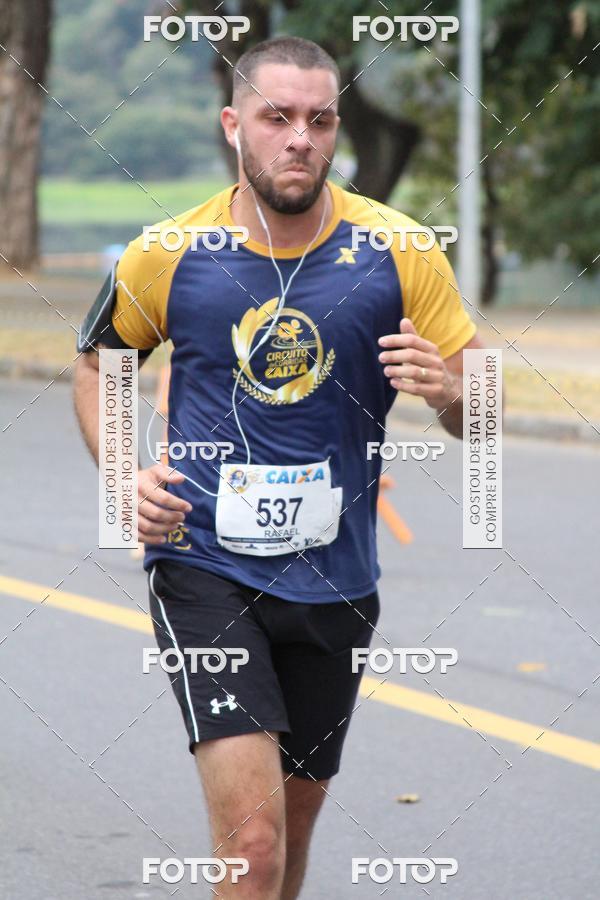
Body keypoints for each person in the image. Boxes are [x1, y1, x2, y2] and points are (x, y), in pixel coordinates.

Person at [74, 35, 484, 899]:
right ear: (235, 125)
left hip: (336, 581)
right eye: (277, 117)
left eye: (320, 119)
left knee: (290, 837)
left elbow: (483, 411)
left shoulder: (401, 251)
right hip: (203, 566)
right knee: (252, 844)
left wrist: (449, 390)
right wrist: (124, 478)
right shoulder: (170, 251)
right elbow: (101, 365)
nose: (301, 137)